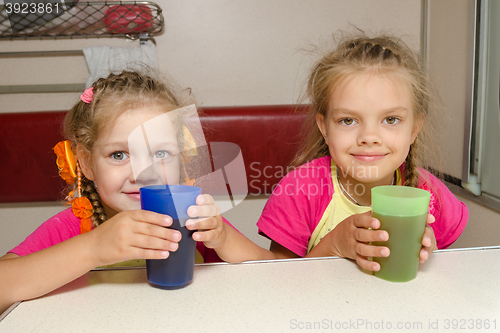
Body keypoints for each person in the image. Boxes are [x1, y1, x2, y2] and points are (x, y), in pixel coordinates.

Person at [0, 70, 273, 314]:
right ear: (86, 162)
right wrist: (94, 248)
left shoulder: (190, 219)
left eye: (161, 153)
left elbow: (272, 274)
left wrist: (223, 239)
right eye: (119, 154)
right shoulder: (75, 226)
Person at [257, 33, 469, 271]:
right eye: (348, 120)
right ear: (324, 128)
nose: (369, 137)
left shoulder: (430, 195)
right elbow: (279, 284)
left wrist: (430, 253)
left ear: (415, 128)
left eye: (390, 119)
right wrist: (333, 245)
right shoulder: (301, 189)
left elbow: (447, 276)